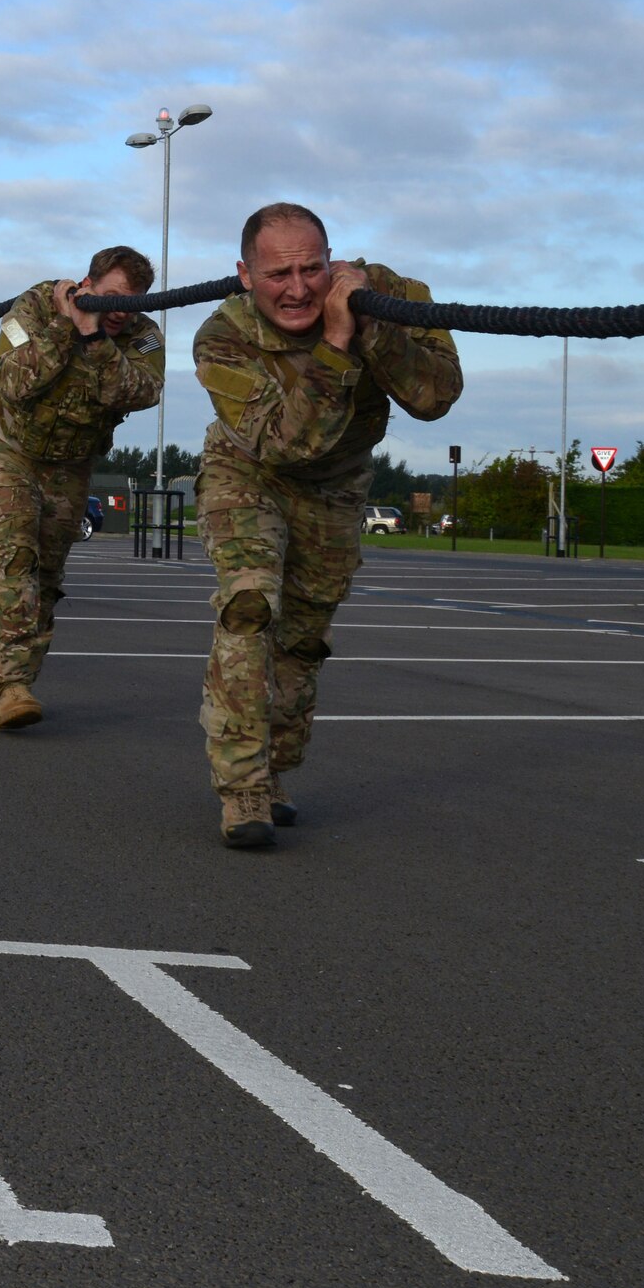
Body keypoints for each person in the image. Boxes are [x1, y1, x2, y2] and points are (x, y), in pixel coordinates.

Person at [193, 203, 460, 848]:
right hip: (251, 471)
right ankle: (243, 788)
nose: (298, 288)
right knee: (250, 603)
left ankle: (277, 772)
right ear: (244, 274)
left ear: (333, 260)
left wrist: (372, 324)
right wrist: (339, 343)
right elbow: (286, 446)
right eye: (277, 273)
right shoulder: (220, 338)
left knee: (305, 637)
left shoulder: (389, 294)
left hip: (338, 486)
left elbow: (437, 397)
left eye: (313, 268)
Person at [0, 247, 164, 729]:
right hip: (9, 447)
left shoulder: (143, 335)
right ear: (87, 283)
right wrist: (65, 325)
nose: (122, 309)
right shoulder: (36, 306)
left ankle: (22, 677)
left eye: (134, 300)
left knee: (48, 577)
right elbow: (13, 381)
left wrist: (92, 332)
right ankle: (10, 685)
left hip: (70, 463)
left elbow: (140, 392)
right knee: (16, 544)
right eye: (112, 297)